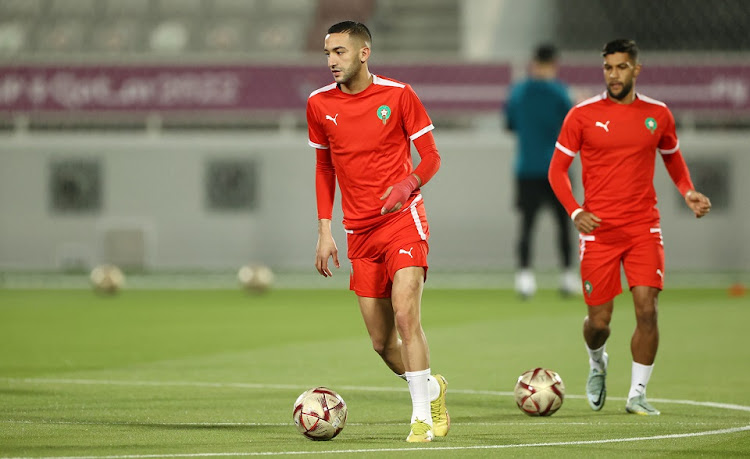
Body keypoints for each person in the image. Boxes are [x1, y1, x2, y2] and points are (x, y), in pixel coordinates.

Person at [548, 39, 712, 415]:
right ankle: (597, 361)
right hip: (599, 231)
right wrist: (575, 211)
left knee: (647, 309)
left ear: (636, 69)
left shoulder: (658, 114)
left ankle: (637, 393)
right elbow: (556, 170)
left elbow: (672, 157)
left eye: (622, 67)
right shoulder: (582, 115)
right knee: (599, 322)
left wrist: (687, 192)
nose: (614, 75)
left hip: (643, 228)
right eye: (608, 68)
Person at [306, 21, 448, 442]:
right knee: (383, 345)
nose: (332, 61)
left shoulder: (399, 95)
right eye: (328, 53)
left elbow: (432, 157)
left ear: (364, 53)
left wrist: (409, 184)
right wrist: (325, 230)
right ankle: (433, 387)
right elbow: (324, 167)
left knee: (407, 314)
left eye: (340, 52)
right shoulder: (318, 104)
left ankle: (421, 417)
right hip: (359, 233)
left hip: (403, 220)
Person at [505, 44, 576, 299]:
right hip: (557, 168)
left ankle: (524, 279)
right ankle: (568, 276)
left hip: (527, 168)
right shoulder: (560, 93)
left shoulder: (518, 93)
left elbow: (510, 124)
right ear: (553, 63)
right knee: (564, 224)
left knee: (526, 225)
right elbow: (572, 126)